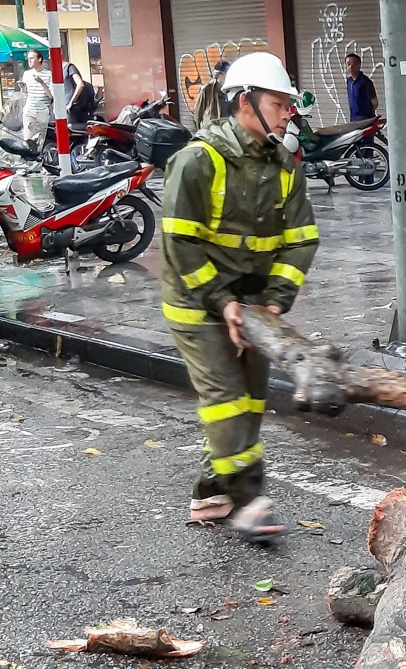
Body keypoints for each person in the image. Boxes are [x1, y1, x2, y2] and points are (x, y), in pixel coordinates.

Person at [159, 51, 319, 545]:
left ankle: (211, 491)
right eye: (279, 103)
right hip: (196, 304)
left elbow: (301, 239)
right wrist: (223, 303)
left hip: (252, 308)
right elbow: (179, 244)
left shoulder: (285, 168)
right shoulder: (197, 162)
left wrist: (273, 303)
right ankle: (249, 501)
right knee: (226, 401)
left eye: (289, 104)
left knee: (248, 405)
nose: (288, 112)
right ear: (245, 102)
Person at [18, 51, 53, 143]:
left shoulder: (49, 74)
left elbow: (51, 95)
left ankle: (40, 156)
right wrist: (22, 88)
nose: (29, 61)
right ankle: (30, 156)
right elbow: (25, 94)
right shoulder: (27, 74)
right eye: (28, 59)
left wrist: (41, 82)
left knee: (41, 139)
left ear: (39, 59)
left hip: (43, 111)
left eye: (32, 58)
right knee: (28, 139)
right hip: (29, 110)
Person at [194, 59, 231, 125]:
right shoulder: (207, 90)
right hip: (211, 130)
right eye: (227, 73)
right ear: (219, 74)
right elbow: (198, 113)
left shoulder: (230, 89)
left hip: (226, 130)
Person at [345, 52, 377, 122]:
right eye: (348, 64)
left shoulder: (365, 81)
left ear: (359, 65)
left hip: (366, 120)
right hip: (353, 120)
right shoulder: (349, 81)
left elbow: (375, 103)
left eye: (354, 64)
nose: (350, 67)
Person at [64, 62, 97, 126]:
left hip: (71, 107)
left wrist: (71, 102)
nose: (49, 56)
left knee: (71, 130)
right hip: (67, 106)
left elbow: (80, 84)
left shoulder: (69, 67)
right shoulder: (59, 70)